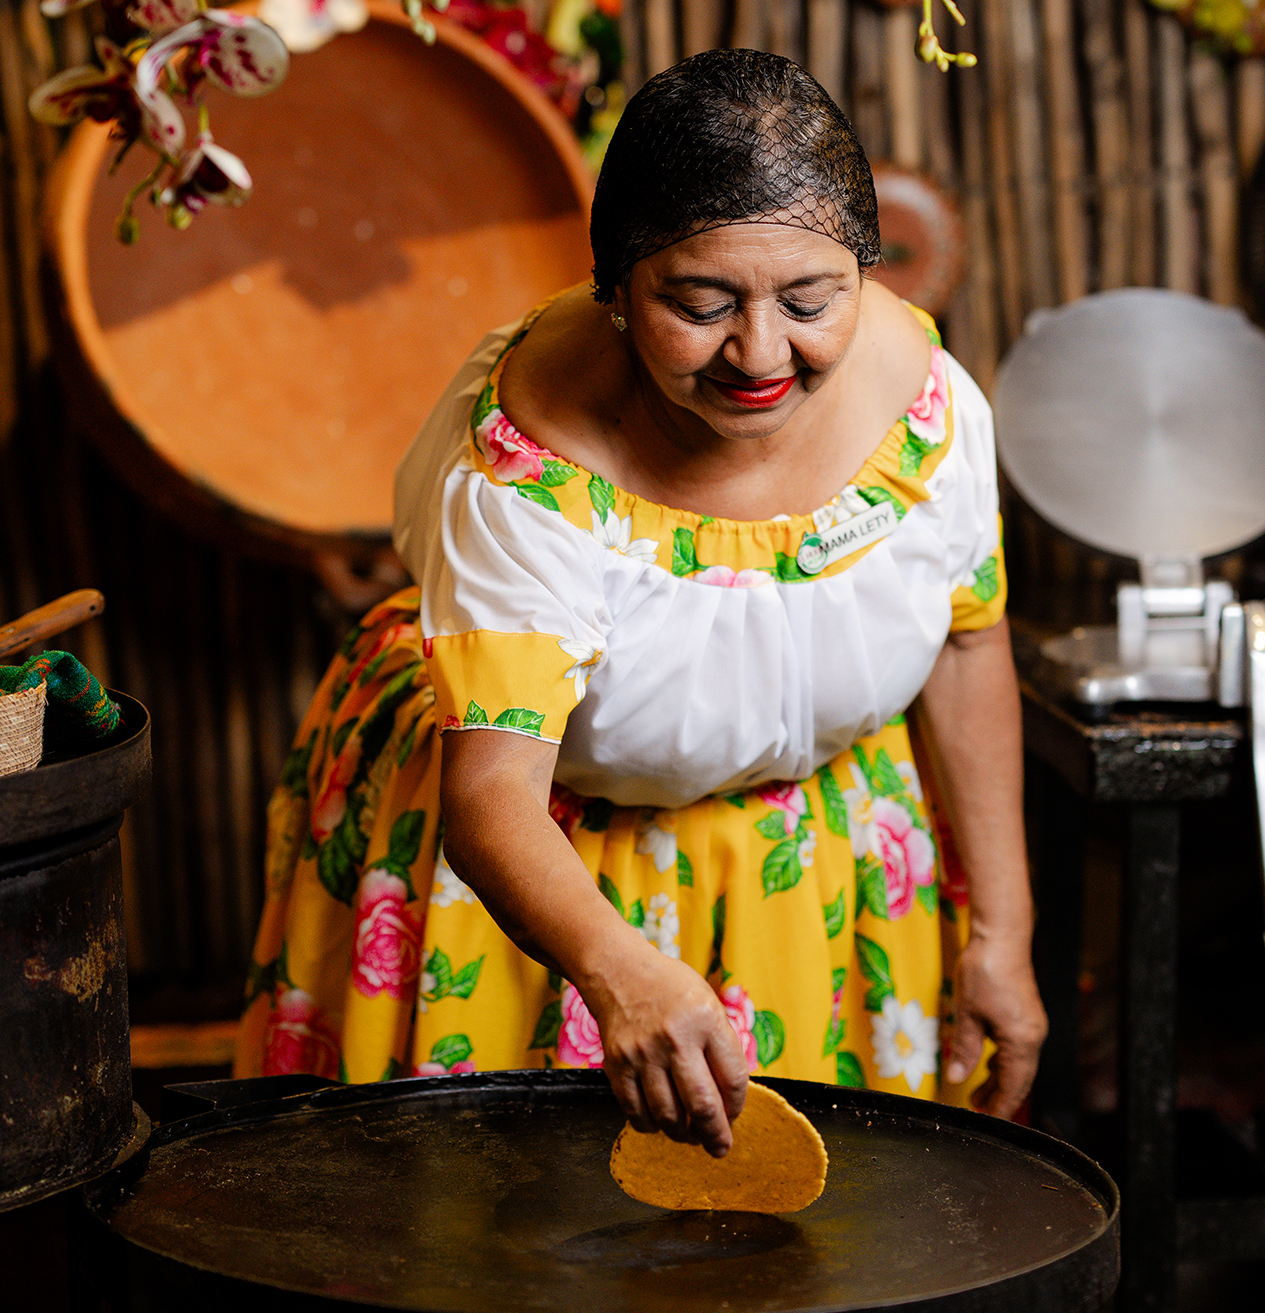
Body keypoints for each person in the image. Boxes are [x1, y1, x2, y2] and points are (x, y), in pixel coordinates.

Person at [234, 47, 1046, 1157]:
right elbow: (495, 795)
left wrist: (1002, 932)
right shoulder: (529, 473)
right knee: (517, 1217)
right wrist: (616, 970)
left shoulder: (925, 413)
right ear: (614, 290)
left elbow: (964, 642)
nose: (759, 352)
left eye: (810, 300)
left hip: (820, 859)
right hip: (551, 875)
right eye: (699, 304)